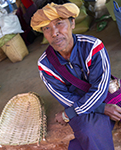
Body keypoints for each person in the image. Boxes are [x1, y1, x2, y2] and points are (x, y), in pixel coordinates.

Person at [30, 2, 121, 150]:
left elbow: (100, 89)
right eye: (47, 28)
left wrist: (68, 114)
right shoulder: (45, 65)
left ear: (72, 23)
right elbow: (65, 98)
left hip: (99, 96)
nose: (54, 33)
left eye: (59, 23)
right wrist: (102, 108)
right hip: (78, 103)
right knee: (89, 131)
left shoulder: (93, 46)